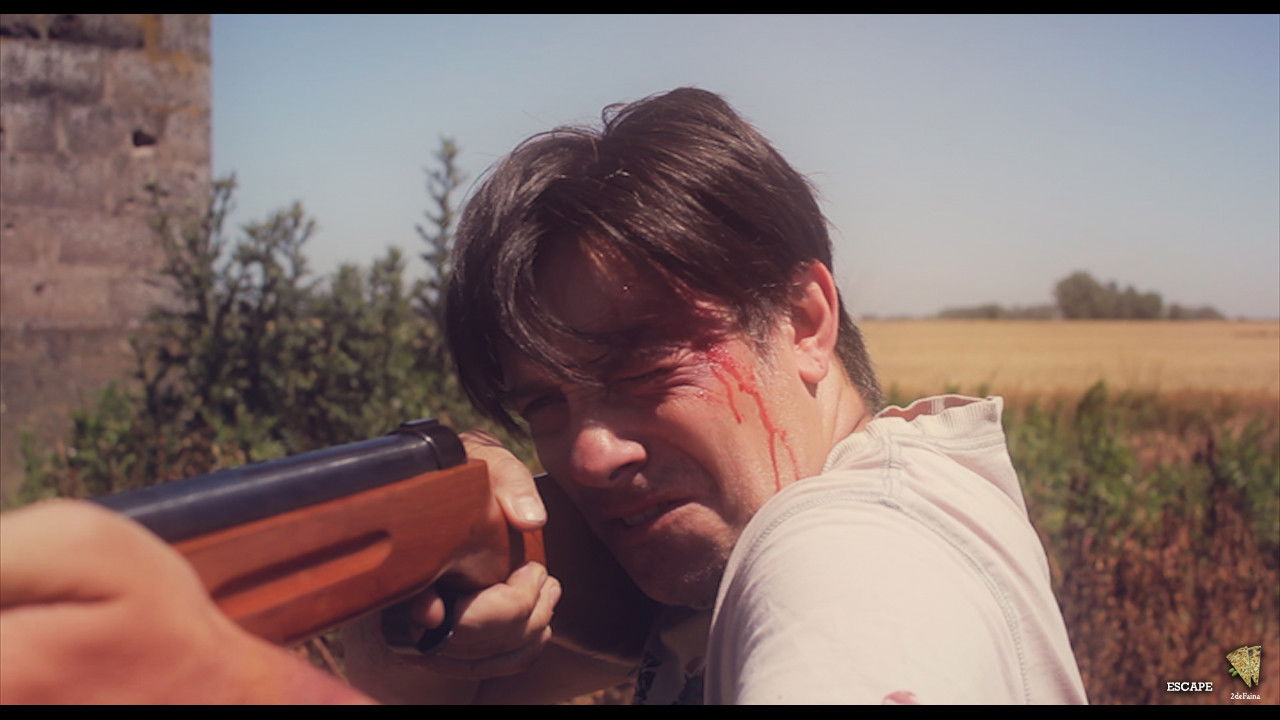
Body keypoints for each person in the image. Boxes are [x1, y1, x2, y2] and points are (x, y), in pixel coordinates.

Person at [0, 88, 1087, 705]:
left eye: (643, 369)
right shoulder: (858, 501)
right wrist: (427, 624)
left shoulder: (839, 557)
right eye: (546, 408)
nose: (588, 455)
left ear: (803, 320)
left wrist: (235, 686)